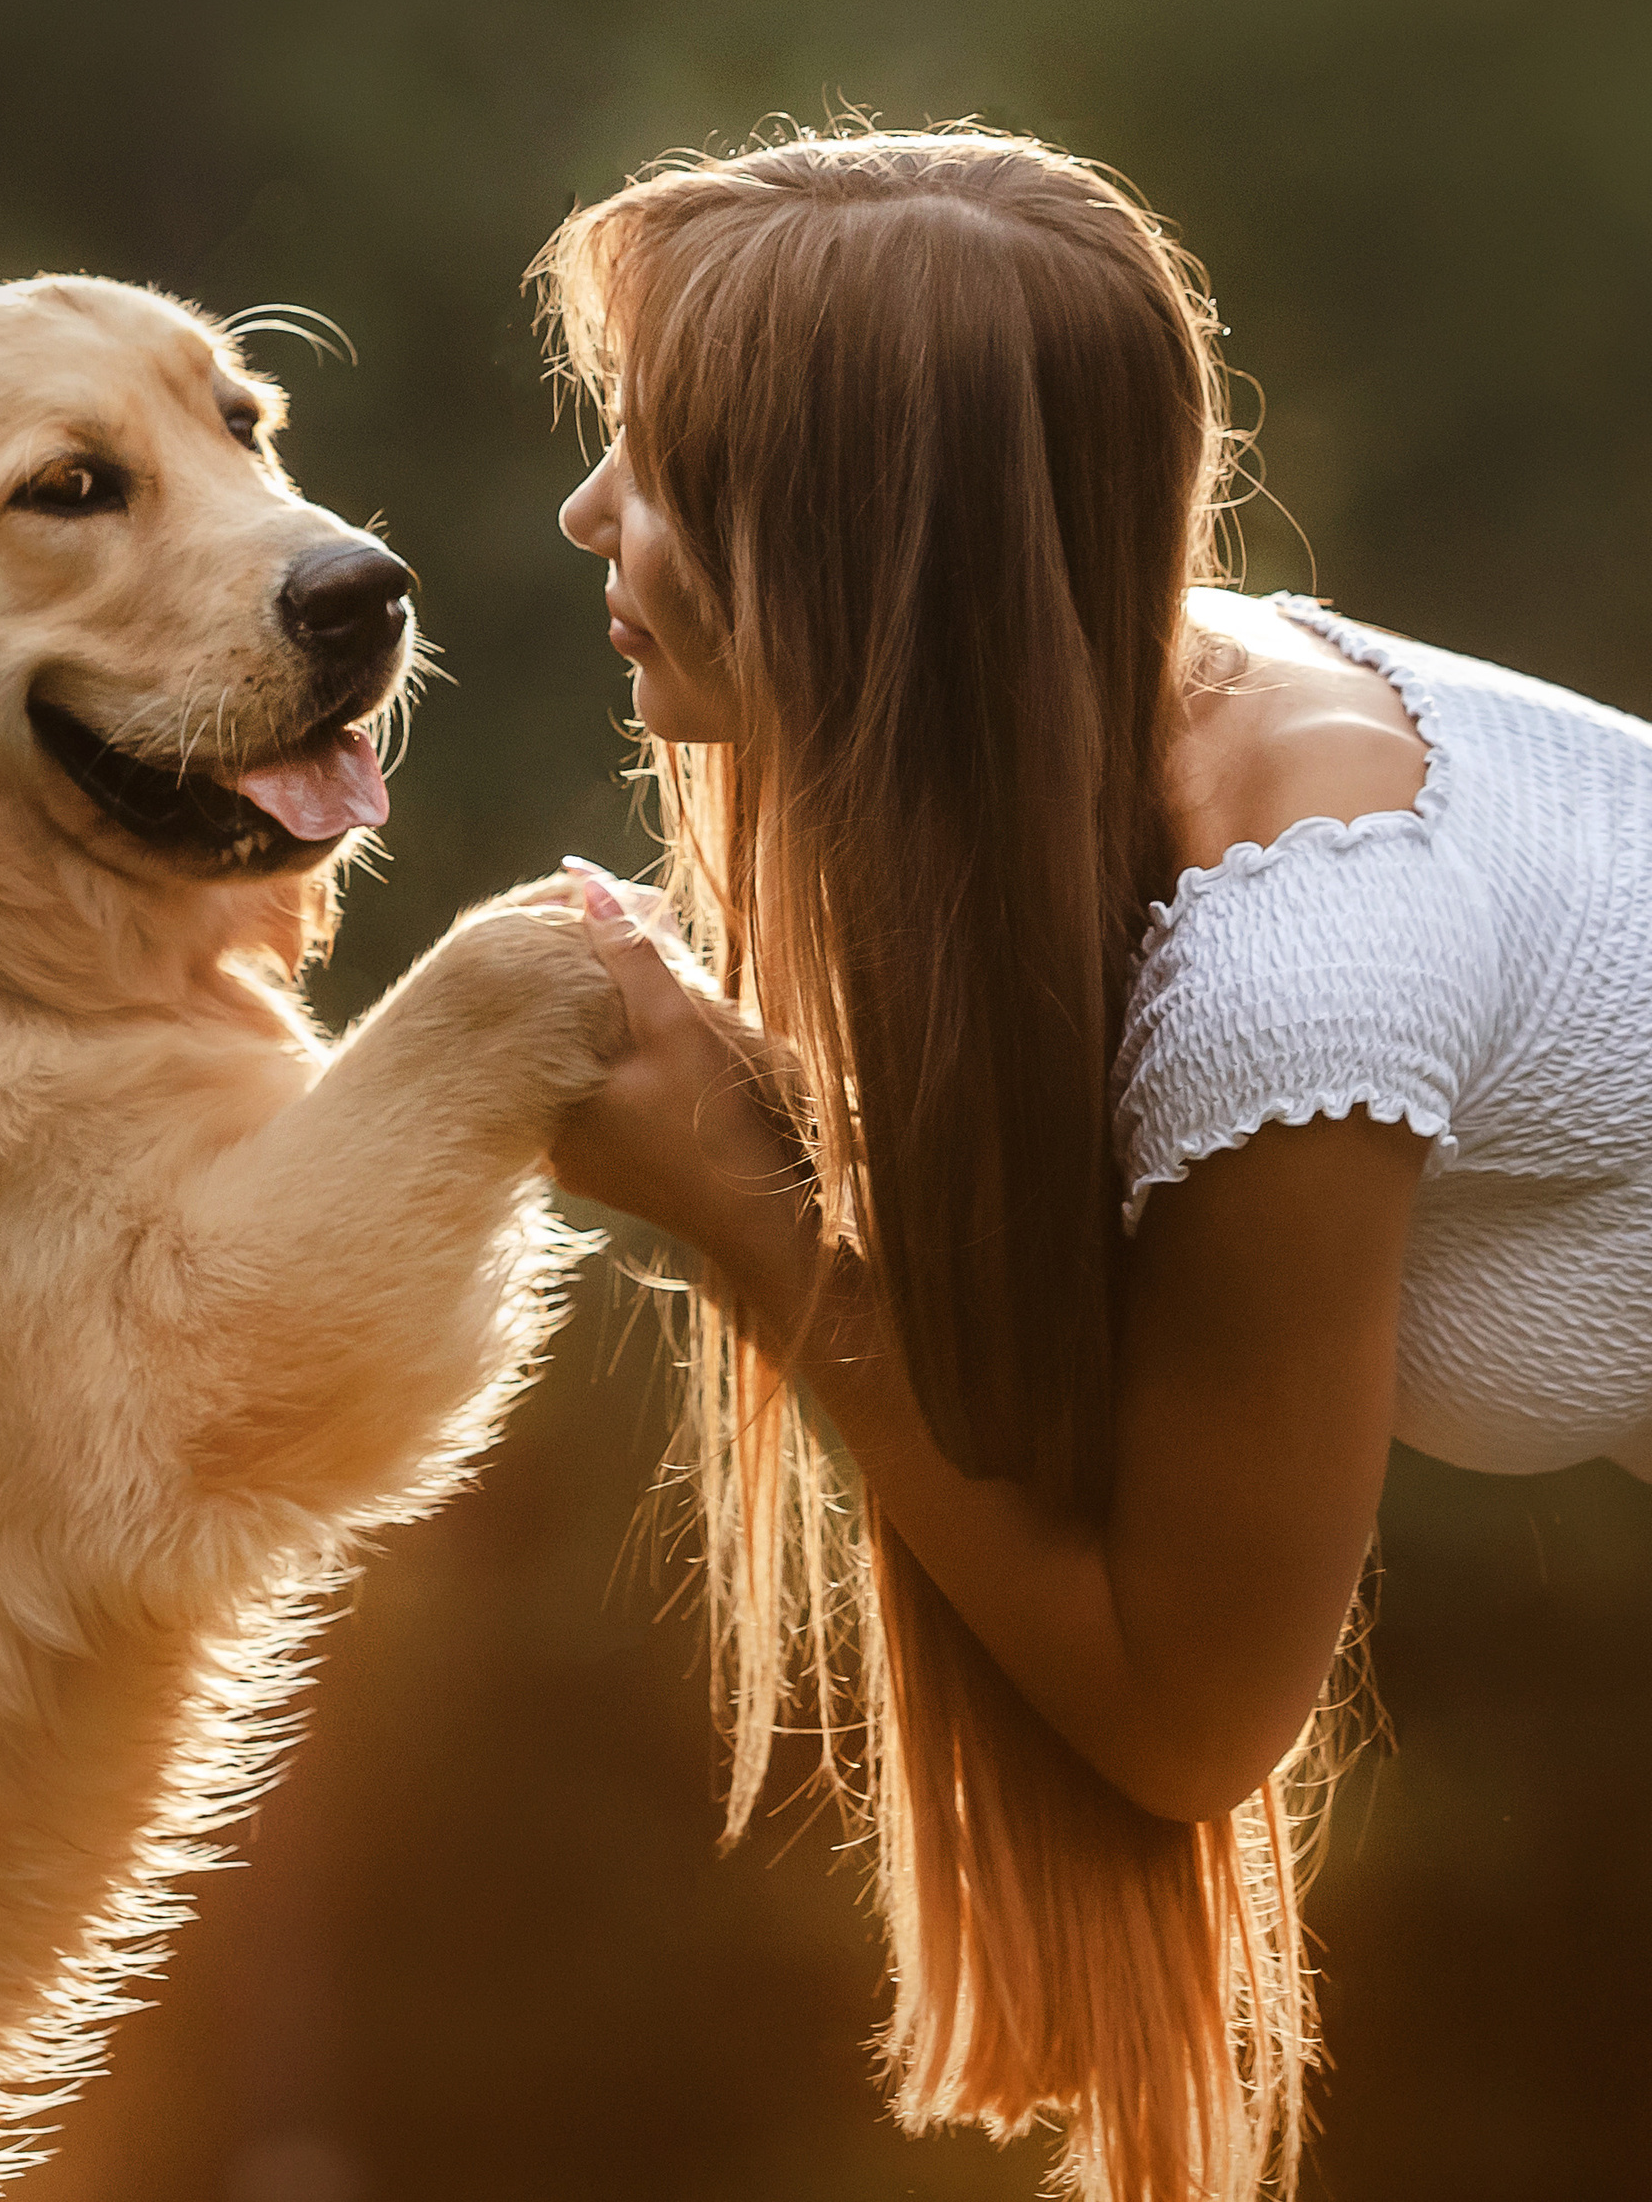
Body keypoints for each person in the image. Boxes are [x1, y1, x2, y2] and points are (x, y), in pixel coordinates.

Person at [524, 126, 1652, 2202]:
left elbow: (1176, 1709)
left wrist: (746, 1218)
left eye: (656, 463)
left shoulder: (1300, 955)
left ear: (856, 535)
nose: (584, 510)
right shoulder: (1117, 711)